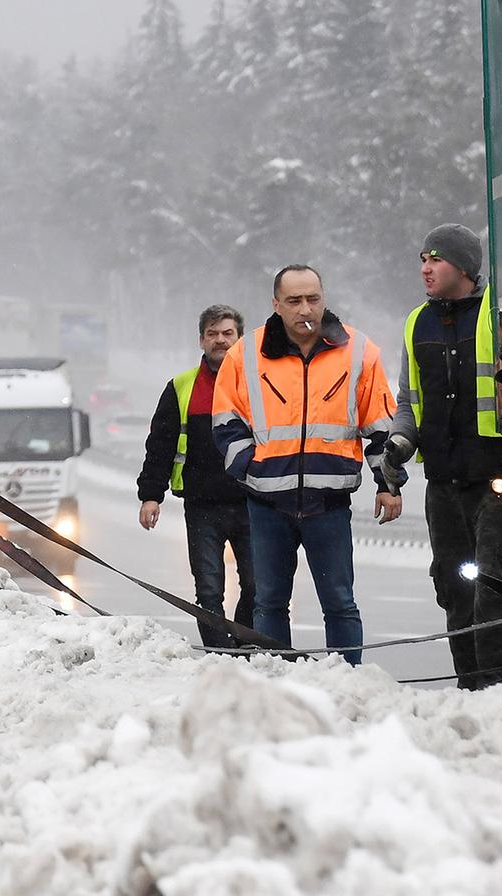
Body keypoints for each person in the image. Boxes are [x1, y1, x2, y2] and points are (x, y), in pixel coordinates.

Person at [210, 265, 401, 664]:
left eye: (312, 298)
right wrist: (251, 467)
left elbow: (381, 426)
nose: (305, 309)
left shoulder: (359, 351)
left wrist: (387, 483)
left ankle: (349, 684)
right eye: (294, 300)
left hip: (328, 506)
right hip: (266, 504)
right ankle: (277, 685)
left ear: (324, 299)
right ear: (276, 304)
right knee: (270, 603)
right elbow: (225, 422)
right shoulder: (245, 354)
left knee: (340, 603)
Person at [377, 223, 502, 690]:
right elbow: (410, 401)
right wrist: (400, 445)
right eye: (422, 260)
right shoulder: (416, 323)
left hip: (498, 477)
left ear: (464, 268)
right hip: (444, 483)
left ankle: (496, 689)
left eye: (436, 259)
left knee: (494, 583)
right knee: (454, 586)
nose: (425, 269)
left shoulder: (500, 314)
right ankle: (469, 687)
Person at [136, 304, 258, 648]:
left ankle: (243, 645)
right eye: (213, 334)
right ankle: (219, 653)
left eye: (227, 334)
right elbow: (160, 444)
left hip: (252, 501)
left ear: (240, 340)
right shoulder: (181, 387)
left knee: (256, 585)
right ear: (201, 340)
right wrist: (150, 495)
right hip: (202, 506)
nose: (220, 340)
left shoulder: (259, 384)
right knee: (208, 588)